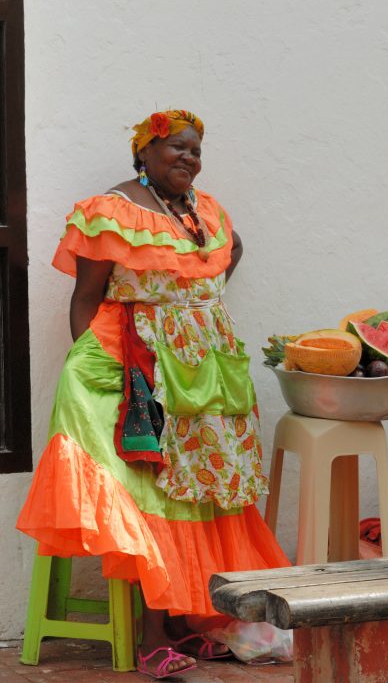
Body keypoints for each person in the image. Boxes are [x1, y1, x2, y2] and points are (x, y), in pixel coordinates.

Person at [16, 110, 289, 678]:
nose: (189, 158)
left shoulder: (203, 212)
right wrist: (108, 376)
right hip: (138, 373)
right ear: (145, 153)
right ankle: (150, 638)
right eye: (176, 148)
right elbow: (86, 299)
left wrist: (194, 309)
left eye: (196, 150)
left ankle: (193, 621)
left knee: (201, 492)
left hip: (205, 375)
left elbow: (228, 251)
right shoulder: (112, 212)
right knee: (154, 495)